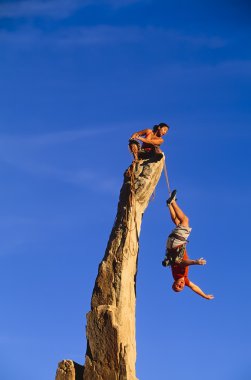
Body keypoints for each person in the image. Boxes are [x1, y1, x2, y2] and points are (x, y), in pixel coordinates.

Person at [163, 190, 214, 300]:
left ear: (174, 282)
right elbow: (194, 287)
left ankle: (173, 202)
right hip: (172, 244)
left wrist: (195, 262)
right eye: (181, 287)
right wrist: (204, 296)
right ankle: (169, 205)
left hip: (176, 244)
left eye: (177, 286)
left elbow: (183, 263)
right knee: (178, 223)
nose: (181, 285)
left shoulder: (178, 274)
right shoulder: (184, 279)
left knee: (185, 220)